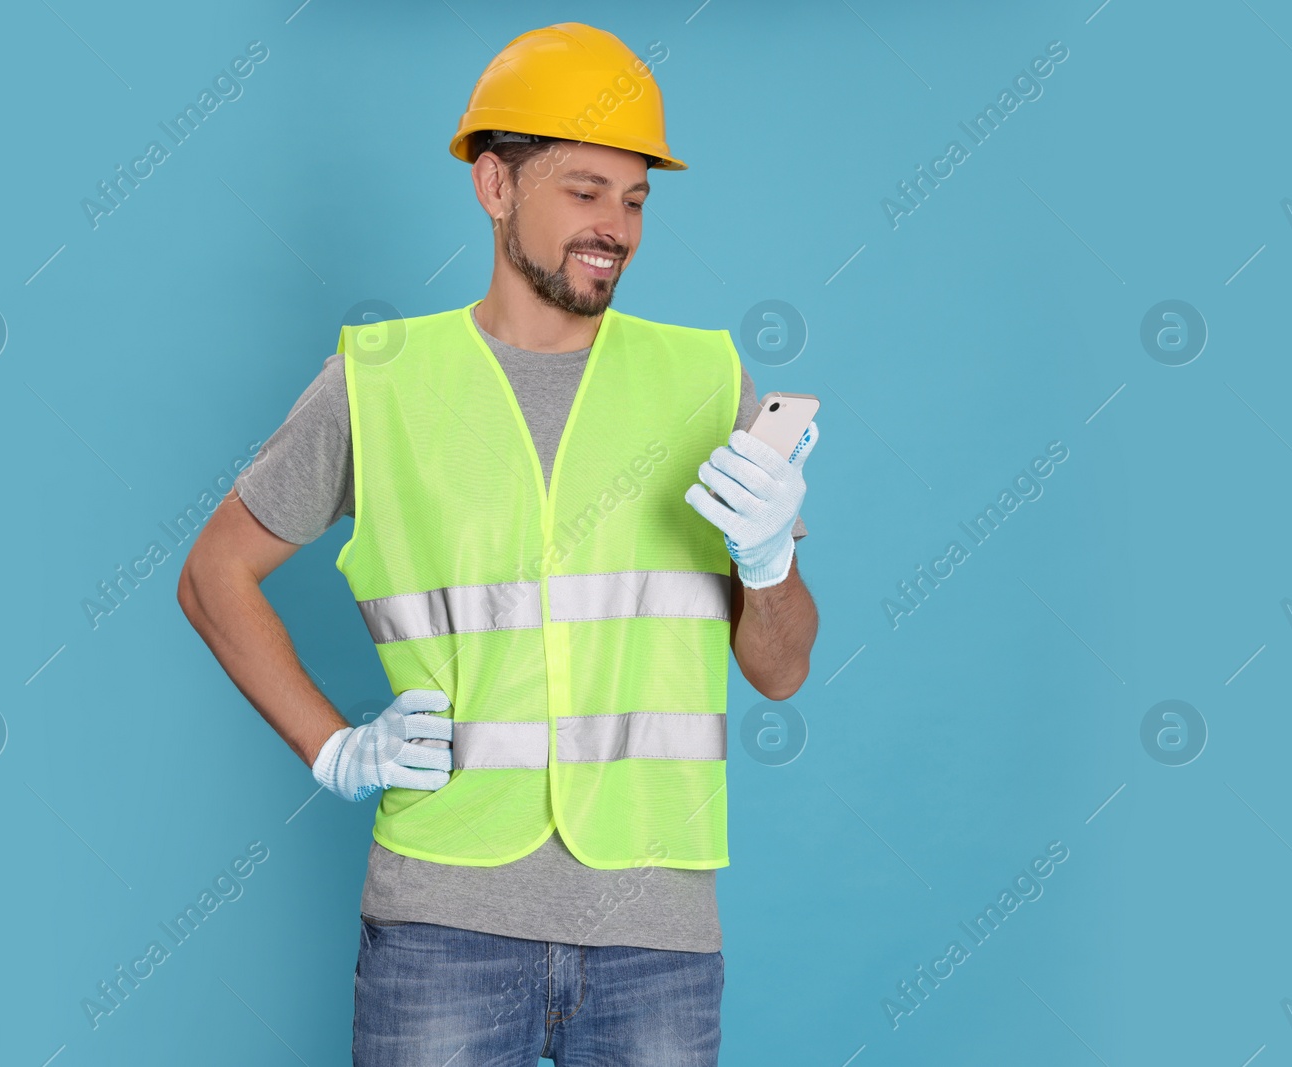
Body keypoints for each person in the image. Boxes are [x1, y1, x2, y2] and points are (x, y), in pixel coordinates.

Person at [177, 21, 820, 1066]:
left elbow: (781, 669)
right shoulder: (381, 381)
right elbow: (214, 574)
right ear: (495, 187)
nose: (615, 224)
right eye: (584, 189)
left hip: (654, 931)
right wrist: (337, 747)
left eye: (636, 196)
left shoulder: (707, 382)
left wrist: (768, 563)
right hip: (442, 917)